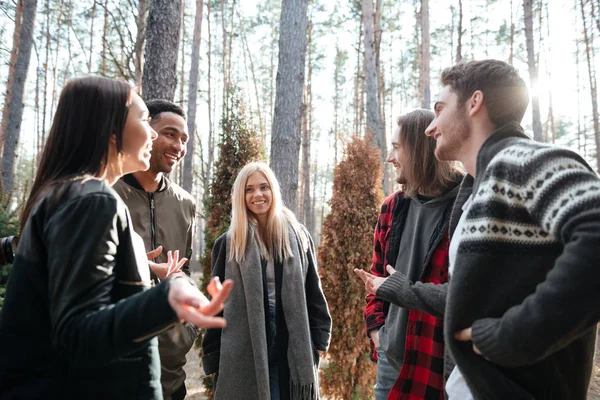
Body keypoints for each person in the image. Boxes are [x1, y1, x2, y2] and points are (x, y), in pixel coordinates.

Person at [0, 76, 232, 399]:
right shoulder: (93, 199)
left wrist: (144, 272)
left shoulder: (69, 193)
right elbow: (77, 335)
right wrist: (167, 296)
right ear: (111, 132)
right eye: (142, 119)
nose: (151, 132)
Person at [424, 59, 600, 399]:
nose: (432, 127)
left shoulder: (522, 160)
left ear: (474, 103)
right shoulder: (479, 190)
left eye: (439, 109)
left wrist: (513, 337)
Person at [354, 110, 462, 400]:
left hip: (438, 365)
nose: (390, 157)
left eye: (397, 147)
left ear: (420, 147)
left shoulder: (465, 206)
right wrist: (378, 331)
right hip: (391, 360)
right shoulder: (392, 207)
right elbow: (376, 278)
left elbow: (465, 293)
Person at [202, 161, 331, 400]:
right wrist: (213, 355)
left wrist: (320, 336)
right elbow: (216, 305)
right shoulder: (229, 243)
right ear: (241, 195)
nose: (257, 194)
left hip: (289, 343)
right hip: (245, 348)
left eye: (264, 187)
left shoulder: (298, 236)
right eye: (249, 189)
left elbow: (313, 290)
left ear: (273, 190)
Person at [114, 99, 196, 400]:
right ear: (147, 132)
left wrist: (187, 329)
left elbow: (183, 269)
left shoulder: (186, 204)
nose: (178, 145)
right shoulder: (108, 193)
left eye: (184, 139)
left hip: (172, 373)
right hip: (116, 366)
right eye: (170, 134)